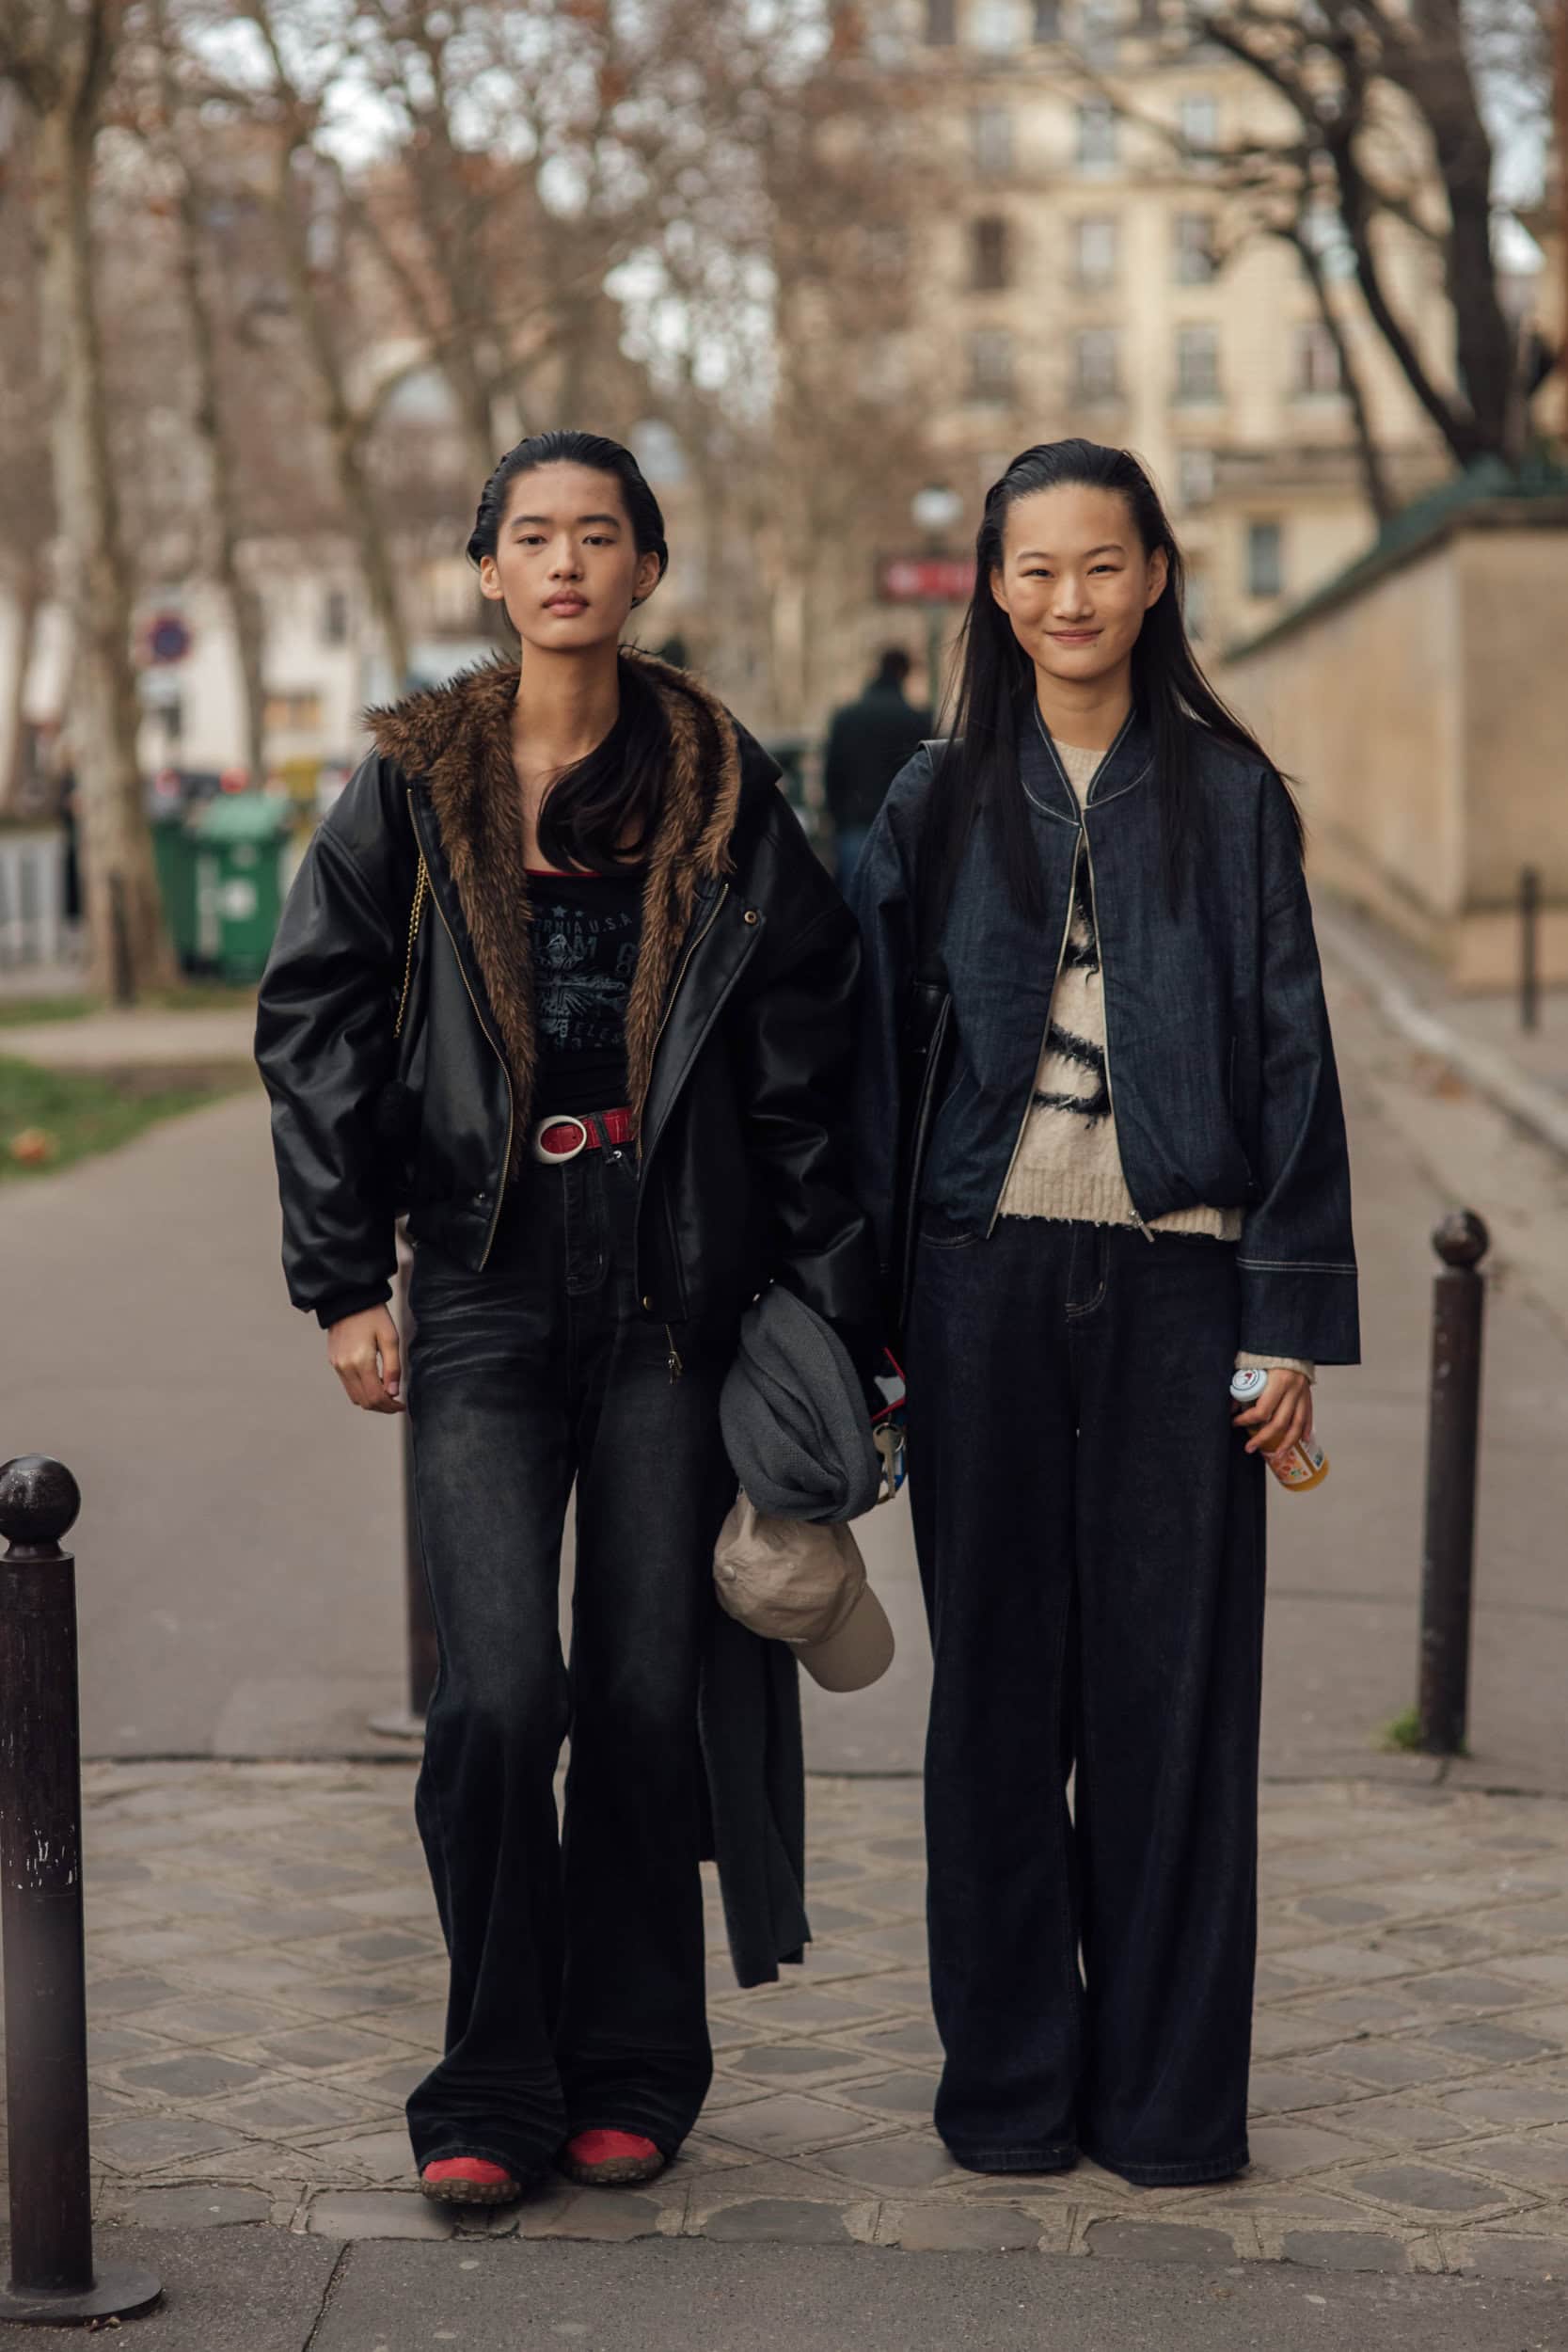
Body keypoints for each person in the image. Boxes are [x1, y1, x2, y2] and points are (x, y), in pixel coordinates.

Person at [255, 430, 878, 2206]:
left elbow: (803, 1057)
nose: (564, 564)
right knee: (498, 1701)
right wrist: (339, 1278)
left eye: (598, 535)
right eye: (531, 536)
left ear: (644, 569)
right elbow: (314, 1024)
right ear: (488, 569)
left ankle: (633, 2067)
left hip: (672, 1283)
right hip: (480, 1271)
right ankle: (488, 2078)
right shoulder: (412, 783)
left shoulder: (720, 781)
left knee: (641, 1691)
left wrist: (825, 1312)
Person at [851, 439, 1357, 2188]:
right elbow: (867, 1074)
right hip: (974, 1287)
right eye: (1034, 568)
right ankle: (1006, 2090)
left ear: (1154, 576)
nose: (1067, 598)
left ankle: (1164, 2106)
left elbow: (1293, 1062)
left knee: (1172, 1706)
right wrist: (861, 1324)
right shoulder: (931, 803)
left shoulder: (1231, 797)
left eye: (1100, 564)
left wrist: (1283, 1322)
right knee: (995, 1703)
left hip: (1181, 1293)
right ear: (993, 590)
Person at [821, 648, 932, 892]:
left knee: (855, 898)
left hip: (855, 824)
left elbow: (832, 773)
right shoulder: (916, 720)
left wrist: (837, 819)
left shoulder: (846, 718)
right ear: (904, 673)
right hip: (904, 828)